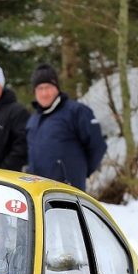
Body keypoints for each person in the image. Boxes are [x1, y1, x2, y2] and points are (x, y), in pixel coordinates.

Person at [25, 63, 107, 192]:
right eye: (40, 88)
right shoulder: (33, 119)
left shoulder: (77, 112)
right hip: (38, 191)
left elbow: (97, 146)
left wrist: (81, 172)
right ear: (35, 92)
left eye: (48, 87)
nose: (44, 93)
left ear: (57, 88)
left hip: (67, 190)